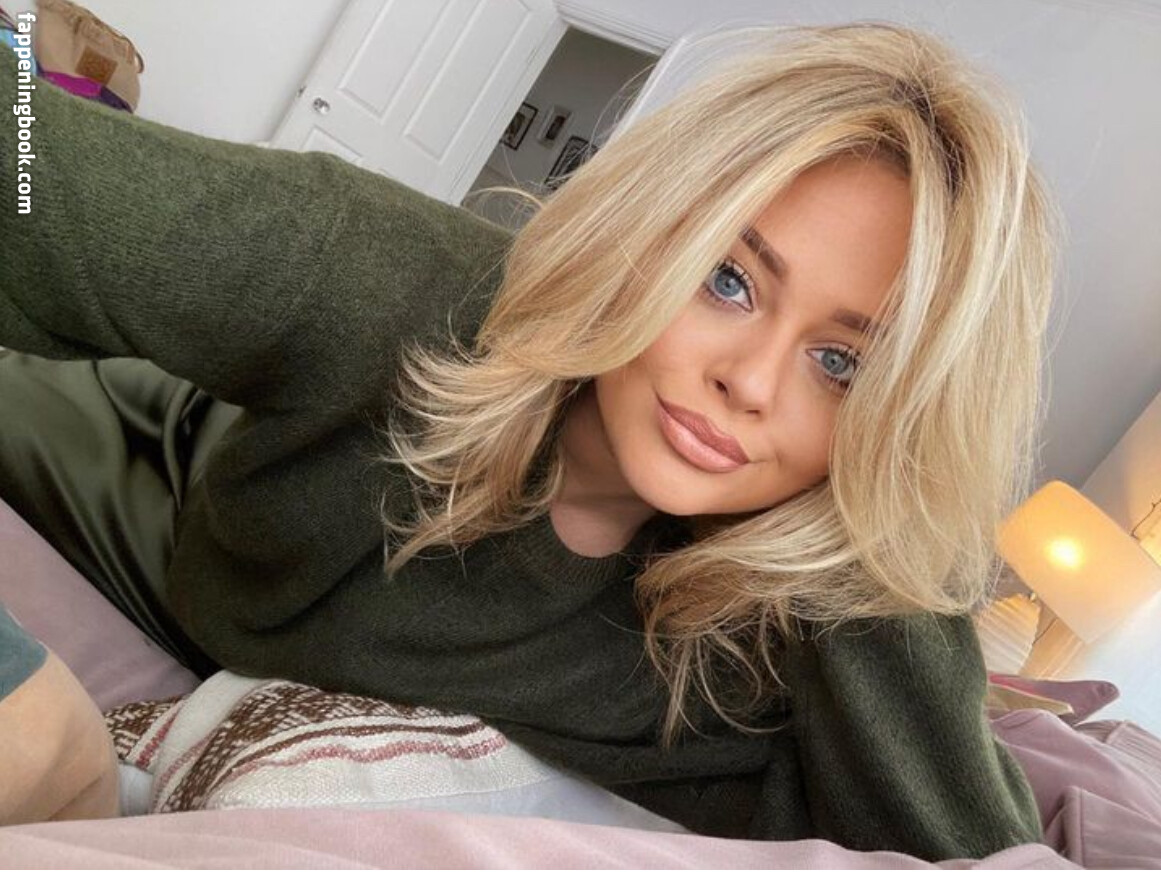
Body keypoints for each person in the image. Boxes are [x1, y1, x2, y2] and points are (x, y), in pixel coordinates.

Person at [0, 22, 1056, 858]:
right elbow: (31, 167)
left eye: (844, 364)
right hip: (137, 464)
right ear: (646, 231)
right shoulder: (386, 278)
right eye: (726, 279)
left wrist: (897, 529)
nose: (748, 381)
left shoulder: (780, 635)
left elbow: (968, 846)